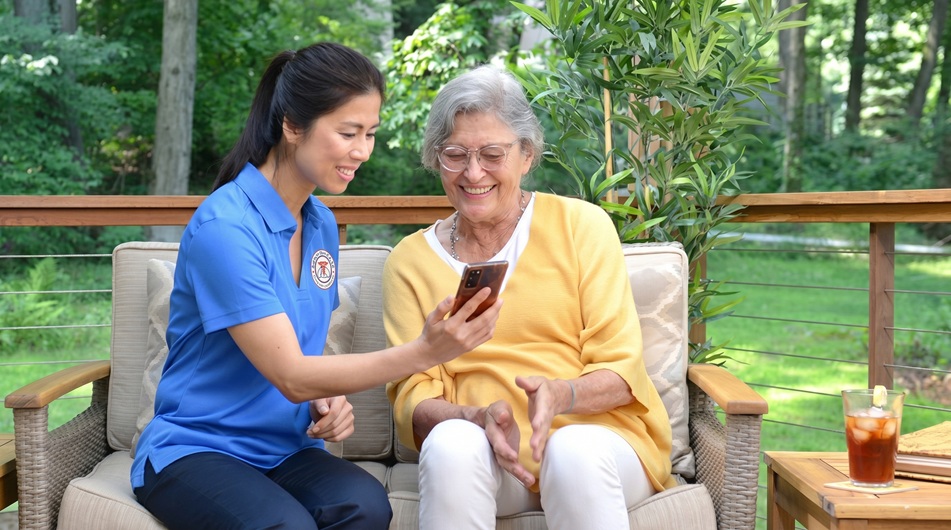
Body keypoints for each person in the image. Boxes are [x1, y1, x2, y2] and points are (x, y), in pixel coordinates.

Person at [130, 42, 501, 530]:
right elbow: (291, 374)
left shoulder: (320, 224)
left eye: (370, 133)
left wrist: (327, 400)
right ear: (291, 126)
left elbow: (303, 359)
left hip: (283, 449)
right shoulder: (226, 227)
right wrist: (424, 351)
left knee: (366, 504)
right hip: (195, 450)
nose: (362, 151)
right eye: (348, 132)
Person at [383, 65, 677, 530]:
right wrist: (475, 417)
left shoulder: (581, 226)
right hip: (492, 456)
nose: (473, 172)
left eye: (492, 154)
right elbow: (412, 400)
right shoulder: (410, 262)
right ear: (436, 159)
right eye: (455, 154)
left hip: (600, 442)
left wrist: (564, 393)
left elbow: (623, 370)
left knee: (572, 451)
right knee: (449, 442)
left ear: (527, 154)